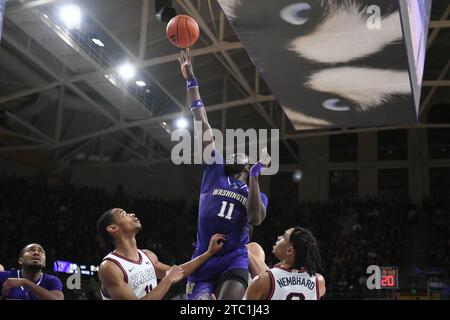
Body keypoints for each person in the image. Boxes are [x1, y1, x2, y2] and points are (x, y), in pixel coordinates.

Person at [178, 49, 271, 300]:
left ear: (246, 165)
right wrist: (191, 80)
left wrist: (254, 176)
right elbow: (202, 123)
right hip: (203, 258)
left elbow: (255, 218)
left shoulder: (256, 193)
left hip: (234, 259)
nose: (233, 155)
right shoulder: (215, 168)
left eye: (239, 156)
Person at [96, 208, 225, 300]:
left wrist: (209, 253)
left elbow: (178, 272)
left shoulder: (148, 256)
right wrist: (167, 280)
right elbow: (171, 276)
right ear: (113, 228)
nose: (132, 214)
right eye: (123, 214)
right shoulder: (110, 267)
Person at [246, 227, 326, 300]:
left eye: (283, 237)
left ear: (290, 250)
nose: (279, 237)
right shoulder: (319, 281)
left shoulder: (264, 280)